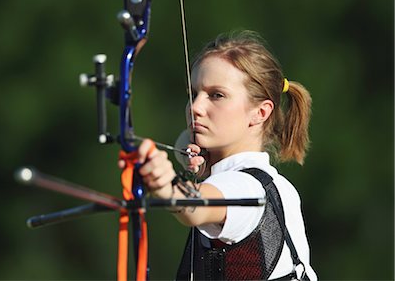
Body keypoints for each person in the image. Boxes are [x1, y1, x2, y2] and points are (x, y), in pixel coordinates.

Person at [134, 30, 317, 280]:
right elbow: (186, 144)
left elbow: (196, 206)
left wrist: (168, 187)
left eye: (216, 95)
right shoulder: (271, 183)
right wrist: (200, 159)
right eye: (193, 94)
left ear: (260, 113)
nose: (196, 107)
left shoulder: (246, 188)